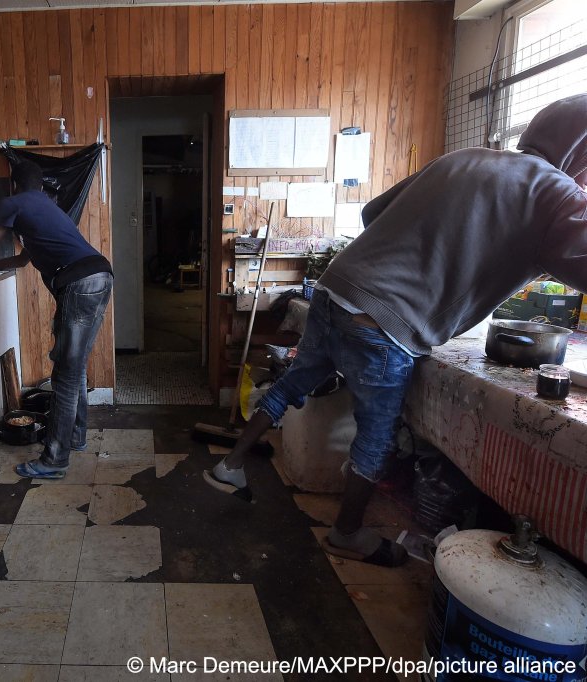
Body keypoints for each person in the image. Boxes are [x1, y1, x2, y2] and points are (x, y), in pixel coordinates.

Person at [205, 94, 587, 567]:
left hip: (337, 289)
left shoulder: (462, 158)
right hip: (385, 322)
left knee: (294, 381)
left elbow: (372, 213)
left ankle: (230, 464)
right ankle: (346, 533)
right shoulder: (558, 197)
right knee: (378, 436)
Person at [0, 161, 113, 479]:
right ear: (40, 184)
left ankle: (54, 460)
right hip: (100, 276)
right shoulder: (46, 211)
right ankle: (75, 437)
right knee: (74, 369)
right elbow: (23, 260)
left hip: (78, 284)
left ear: (14, 185)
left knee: (64, 376)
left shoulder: (11, 204)